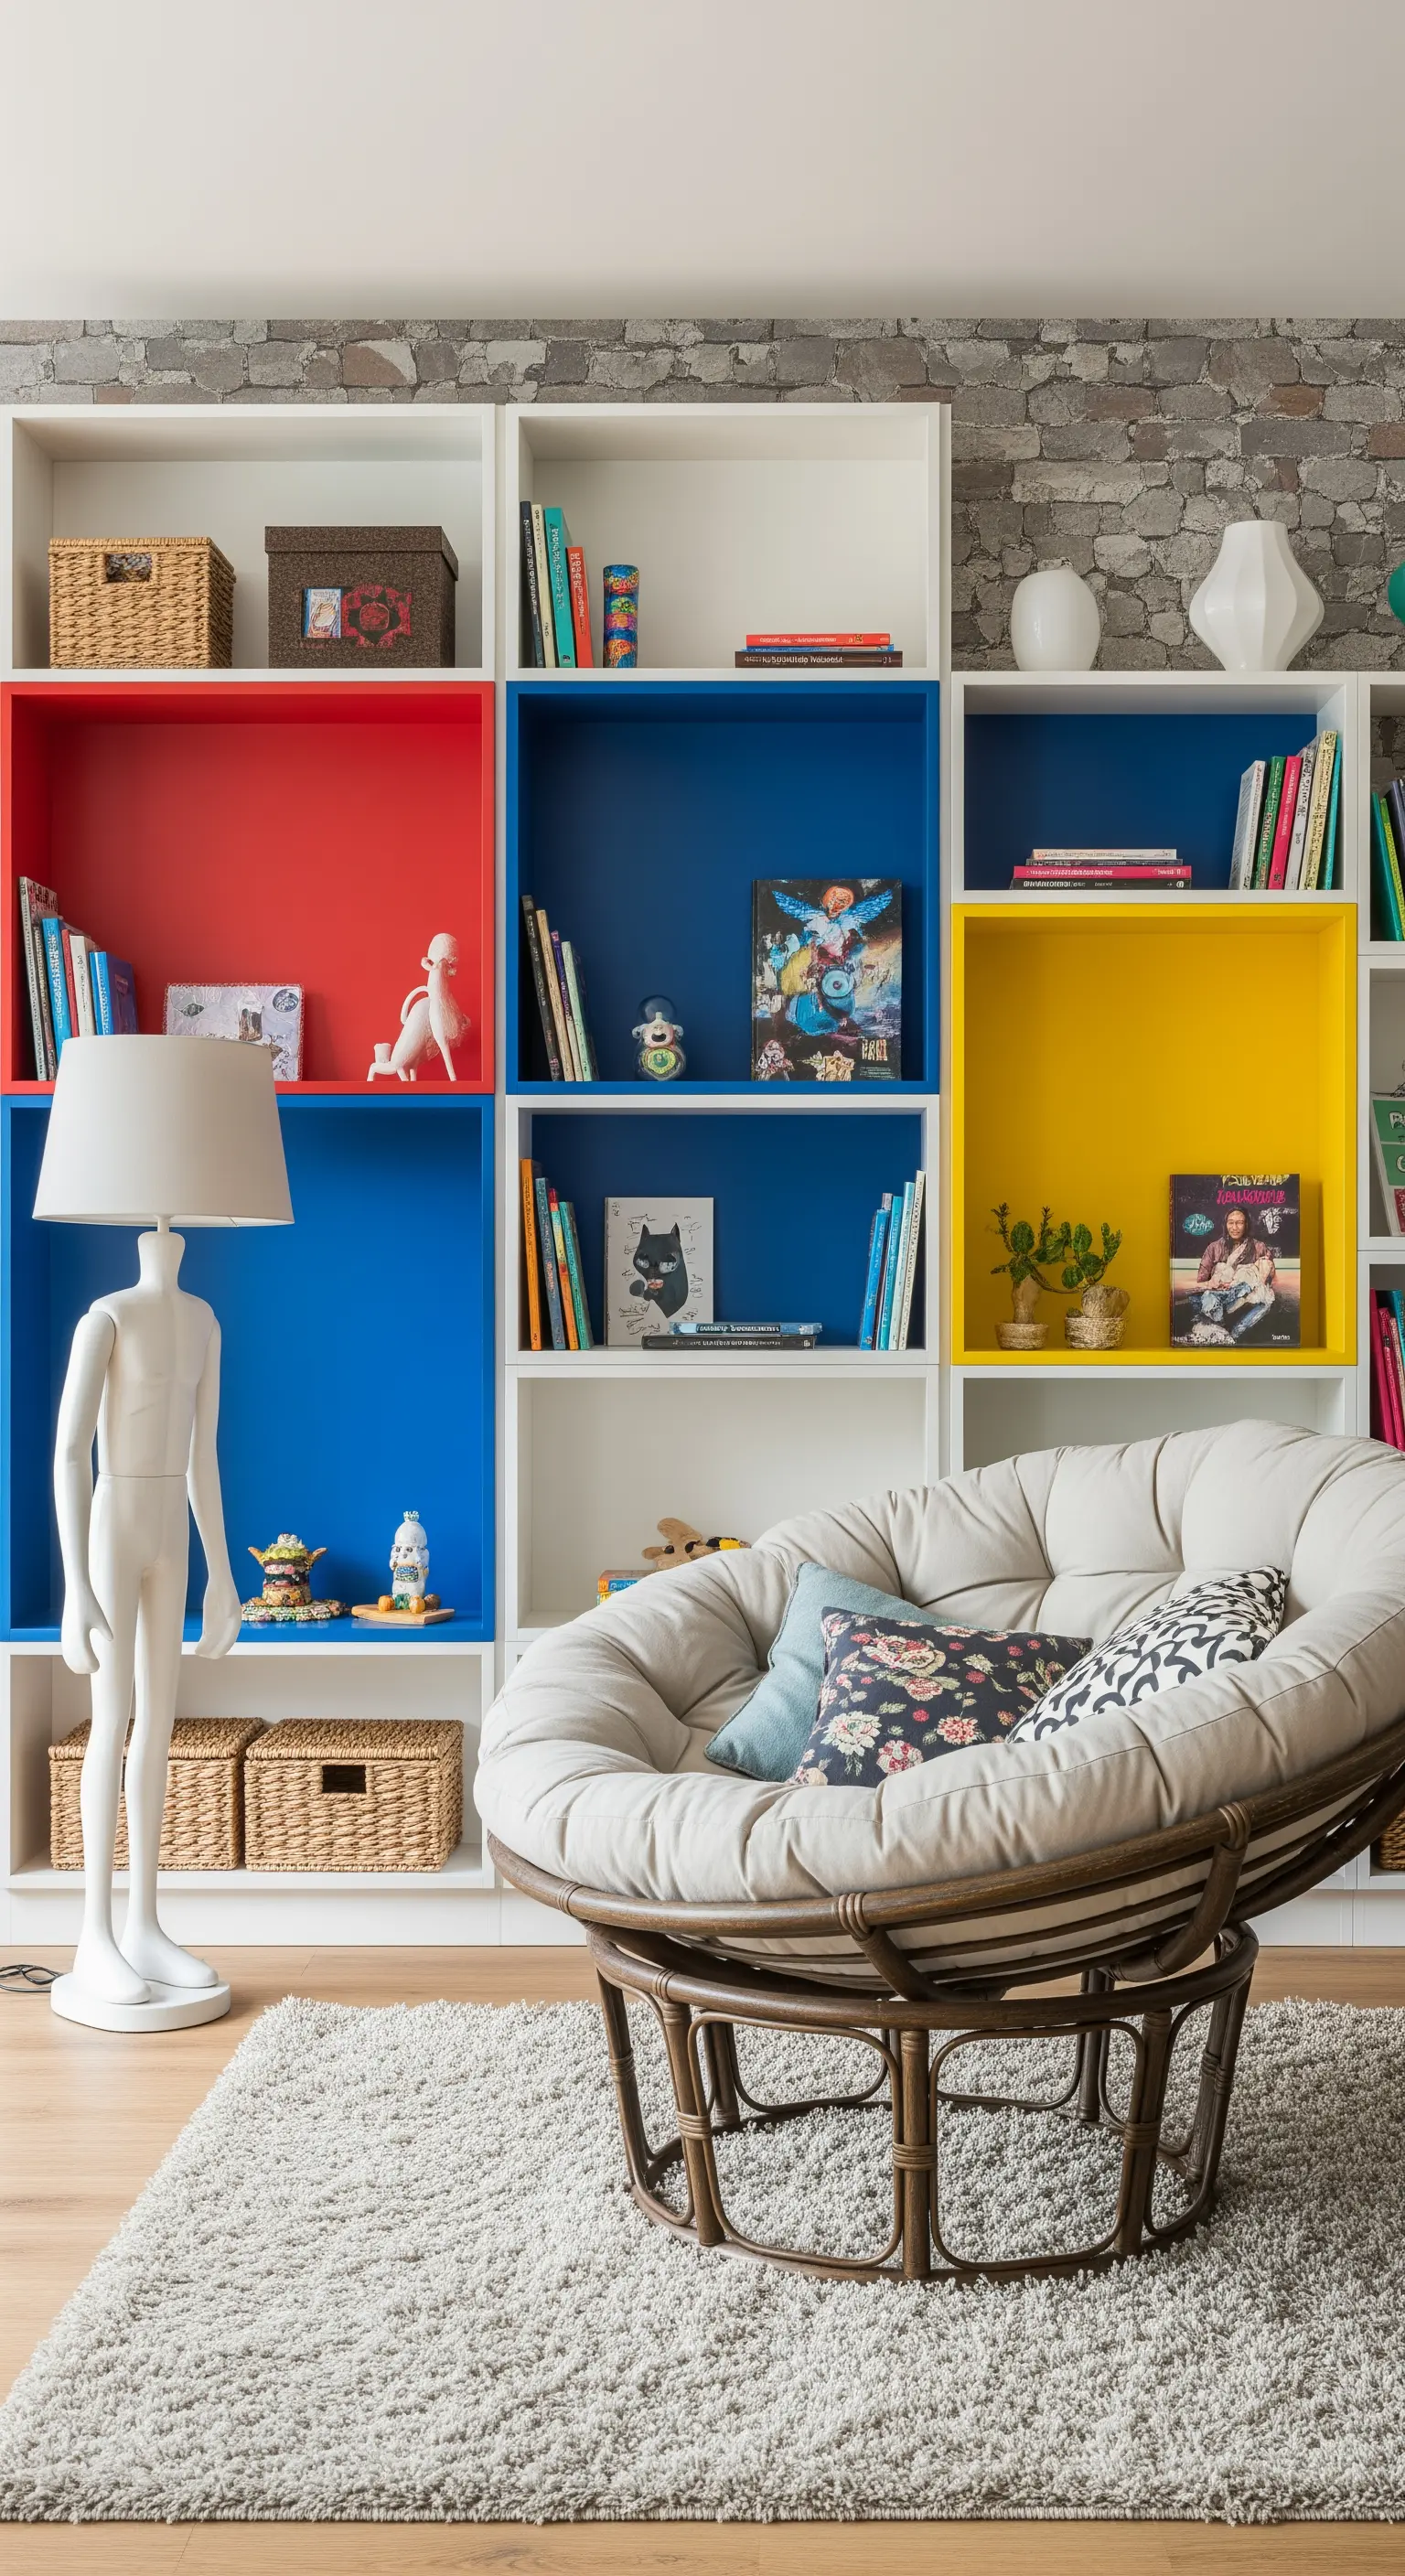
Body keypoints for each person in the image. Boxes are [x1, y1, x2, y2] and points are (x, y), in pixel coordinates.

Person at [1190, 1205, 1276, 1344]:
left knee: (1265, 1302)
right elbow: (1201, 1281)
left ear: (1246, 1225)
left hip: (1247, 1298)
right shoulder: (1214, 1248)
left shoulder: (1259, 1247)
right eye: (1231, 1223)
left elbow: (1269, 1279)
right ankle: (1217, 1330)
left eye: (1239, 1223)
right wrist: (1214, 1284)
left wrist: (1254, 1279)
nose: (1234, 1227)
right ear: (1225, 1225)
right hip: (1218, 1296)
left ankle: (1233, 1336)